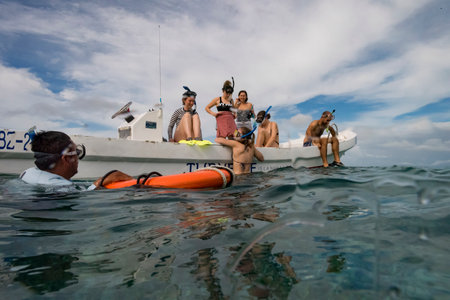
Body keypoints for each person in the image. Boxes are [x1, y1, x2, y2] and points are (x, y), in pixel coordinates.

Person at [20, 131, 133, 189]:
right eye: (77, 153)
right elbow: (83, 196)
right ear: (67, 158)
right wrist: (100, 183)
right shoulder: (60, 188)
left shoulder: (27, 173)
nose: (78, 159)